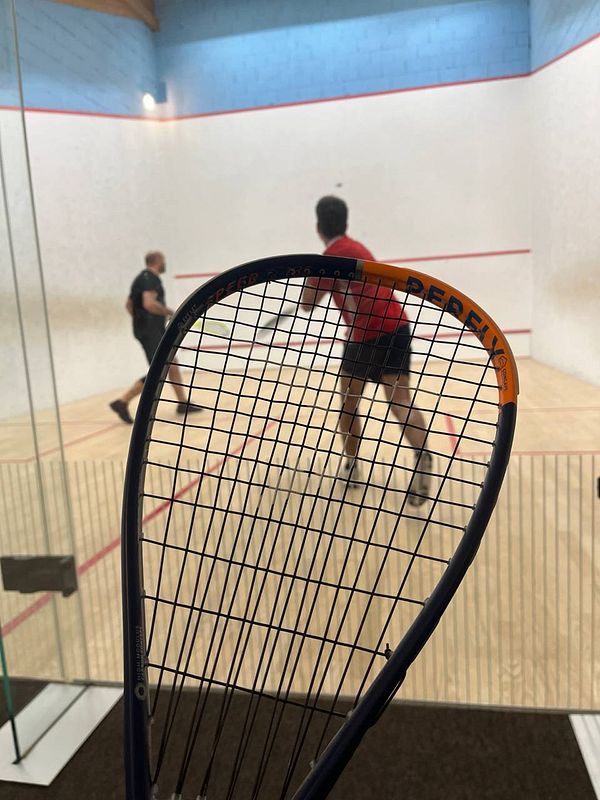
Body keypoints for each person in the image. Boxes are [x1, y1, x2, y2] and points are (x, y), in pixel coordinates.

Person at [300, 196, 432, 505]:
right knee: (400, 400)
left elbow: (307, 304)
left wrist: (314, 280)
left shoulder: (329, 258)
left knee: (348, 403)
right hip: (397, 327)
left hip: (363, 338)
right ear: (345, 223)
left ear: (318, 226)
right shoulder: (359, 250)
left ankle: (352, 466)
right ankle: (422, 454)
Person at [109, 251, 202, 424]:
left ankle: (182, 403)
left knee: (172, 363)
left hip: (149, 329)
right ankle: (122, 402)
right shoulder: (150, 278)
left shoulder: (141, 278)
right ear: (158, 261)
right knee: (159, 370)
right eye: (164, 260)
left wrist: (139, 320)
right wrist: (170, 313)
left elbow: (129, 305)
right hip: (151, 331)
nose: (165, 263)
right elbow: (149, 304)